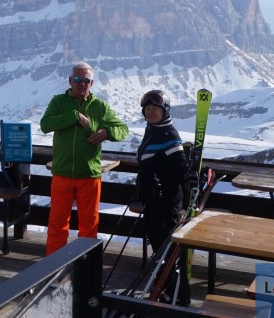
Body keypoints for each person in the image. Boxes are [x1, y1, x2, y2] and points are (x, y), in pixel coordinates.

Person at [40, 61, 129, 256]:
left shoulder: (99, 106)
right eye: (78, 79)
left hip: (89, 175)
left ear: (92, 83)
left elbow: (123, 129)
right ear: (70, 81)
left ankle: (86, 267)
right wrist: (73, 116)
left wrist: (106, 133)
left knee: (89, 226)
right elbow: (45, 125)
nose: (82, 83)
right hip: (62, 173)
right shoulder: (58, 102)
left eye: (86, 80)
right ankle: (53, 266)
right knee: (57, 224)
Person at [136, 89, 189, 305]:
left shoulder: (167, 134)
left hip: (165, 205)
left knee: (166, 250)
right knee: (159, 247)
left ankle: (175, 295)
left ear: (164, 110)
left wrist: (161, 189)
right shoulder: (153, 130)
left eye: (155, 108)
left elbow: (182, 168)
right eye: (147, 108)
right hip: (154, 203)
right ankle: (164, 290)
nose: (150, 112)